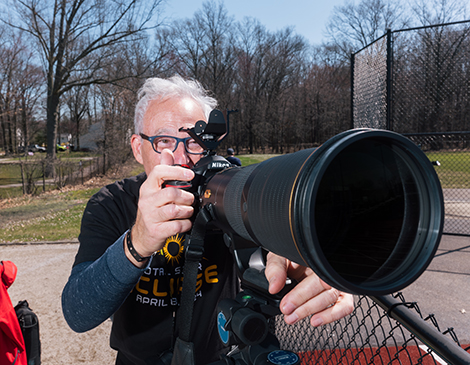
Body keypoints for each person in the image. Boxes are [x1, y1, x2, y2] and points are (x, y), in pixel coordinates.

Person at [61, 75, 354, 365]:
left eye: (195, 142)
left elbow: (296, 216)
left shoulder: (235, 195)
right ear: (138, 148)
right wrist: (135, 244)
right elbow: (78, 312)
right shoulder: (112, 204)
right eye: (164, 140)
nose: (180, 158)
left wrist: (322, 261)